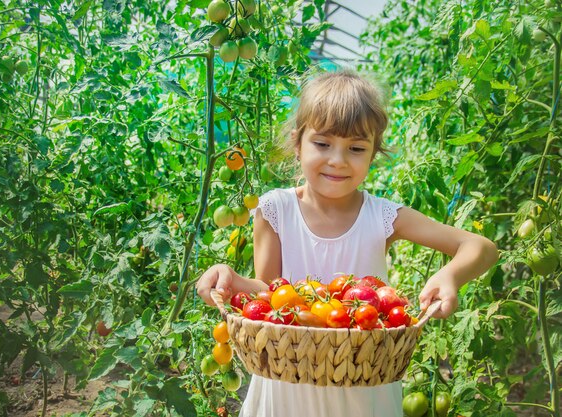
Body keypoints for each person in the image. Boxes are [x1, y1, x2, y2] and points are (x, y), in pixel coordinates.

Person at [196, 69, 498, 417]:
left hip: (360, 385)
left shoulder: (383, 217)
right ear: (297, 143)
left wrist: (450, 277)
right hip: (287, 386)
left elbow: (480, 247)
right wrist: (233, 281)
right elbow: (269, 291)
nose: (338, 160)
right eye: (322, 144)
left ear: (373, 154)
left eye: (356, 148)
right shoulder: (275, 209)